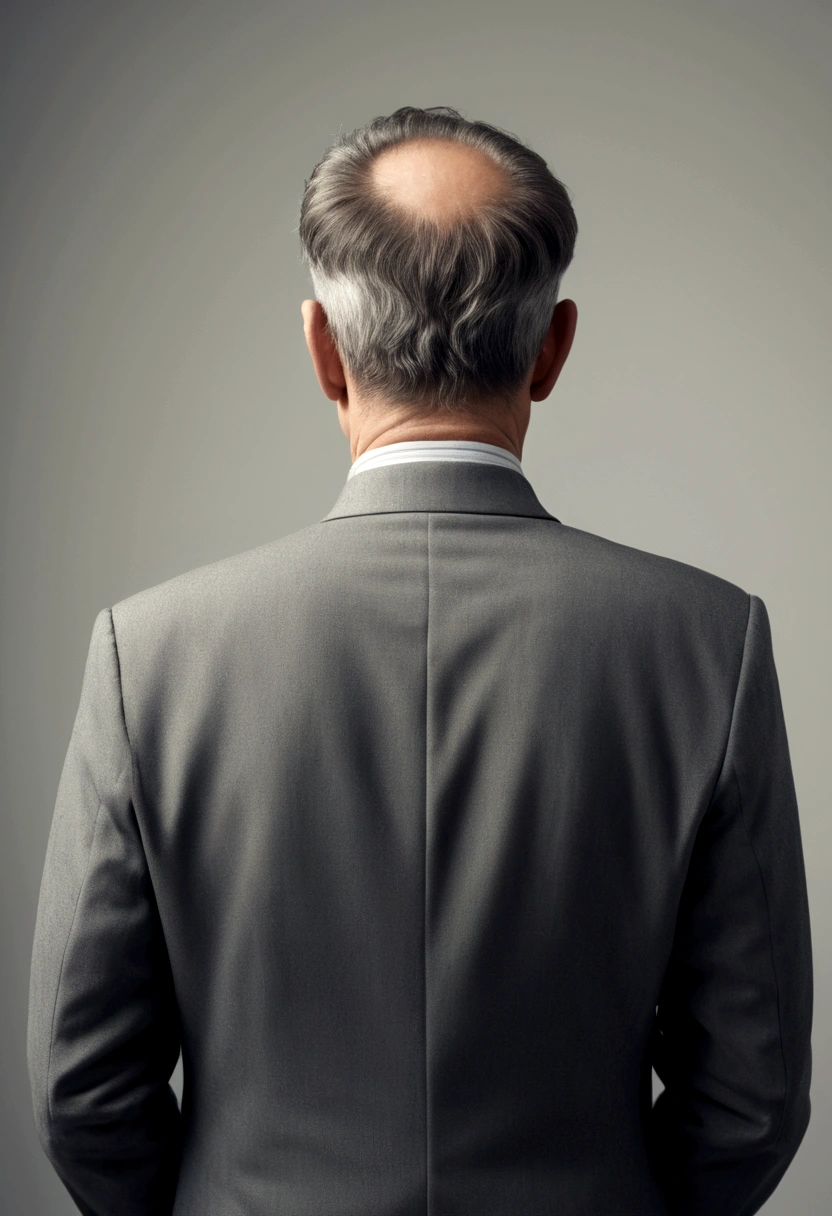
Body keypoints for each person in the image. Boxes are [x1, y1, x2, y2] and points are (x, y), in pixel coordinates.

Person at [27, 105, 812, 1216]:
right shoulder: (707, 643)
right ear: (553, 348)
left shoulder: (145, 656)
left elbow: (81, 1093)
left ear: (321, 351)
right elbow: (751, 1100)